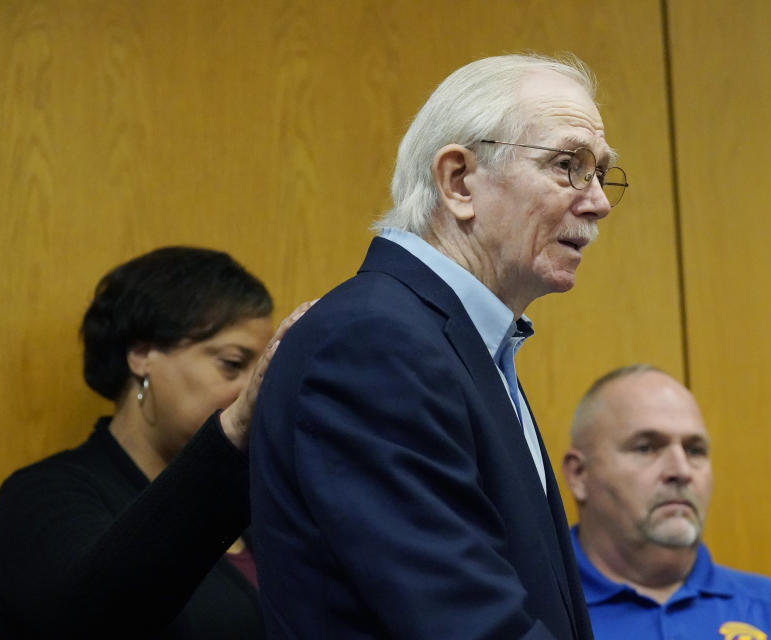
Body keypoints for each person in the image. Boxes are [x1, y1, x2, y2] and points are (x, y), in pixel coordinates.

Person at [250, 53, 628, 639]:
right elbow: (463, 620)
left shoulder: (460, 341)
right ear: (458, 181)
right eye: (568, 165)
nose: (598, 200)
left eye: (601, 172)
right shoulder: (374, 343)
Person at [0, 246, 310, 639]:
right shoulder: (41, 495)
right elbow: (93, 619)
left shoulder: (258, 497)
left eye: (259, 369)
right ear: (141, 354)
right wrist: (236, 426)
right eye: (232, 364)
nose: (253, 386)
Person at [561, 364, 771, 639]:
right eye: (646, 447)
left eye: (694, 450)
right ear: (579, 475)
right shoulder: (533, 607)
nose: (681, 471)